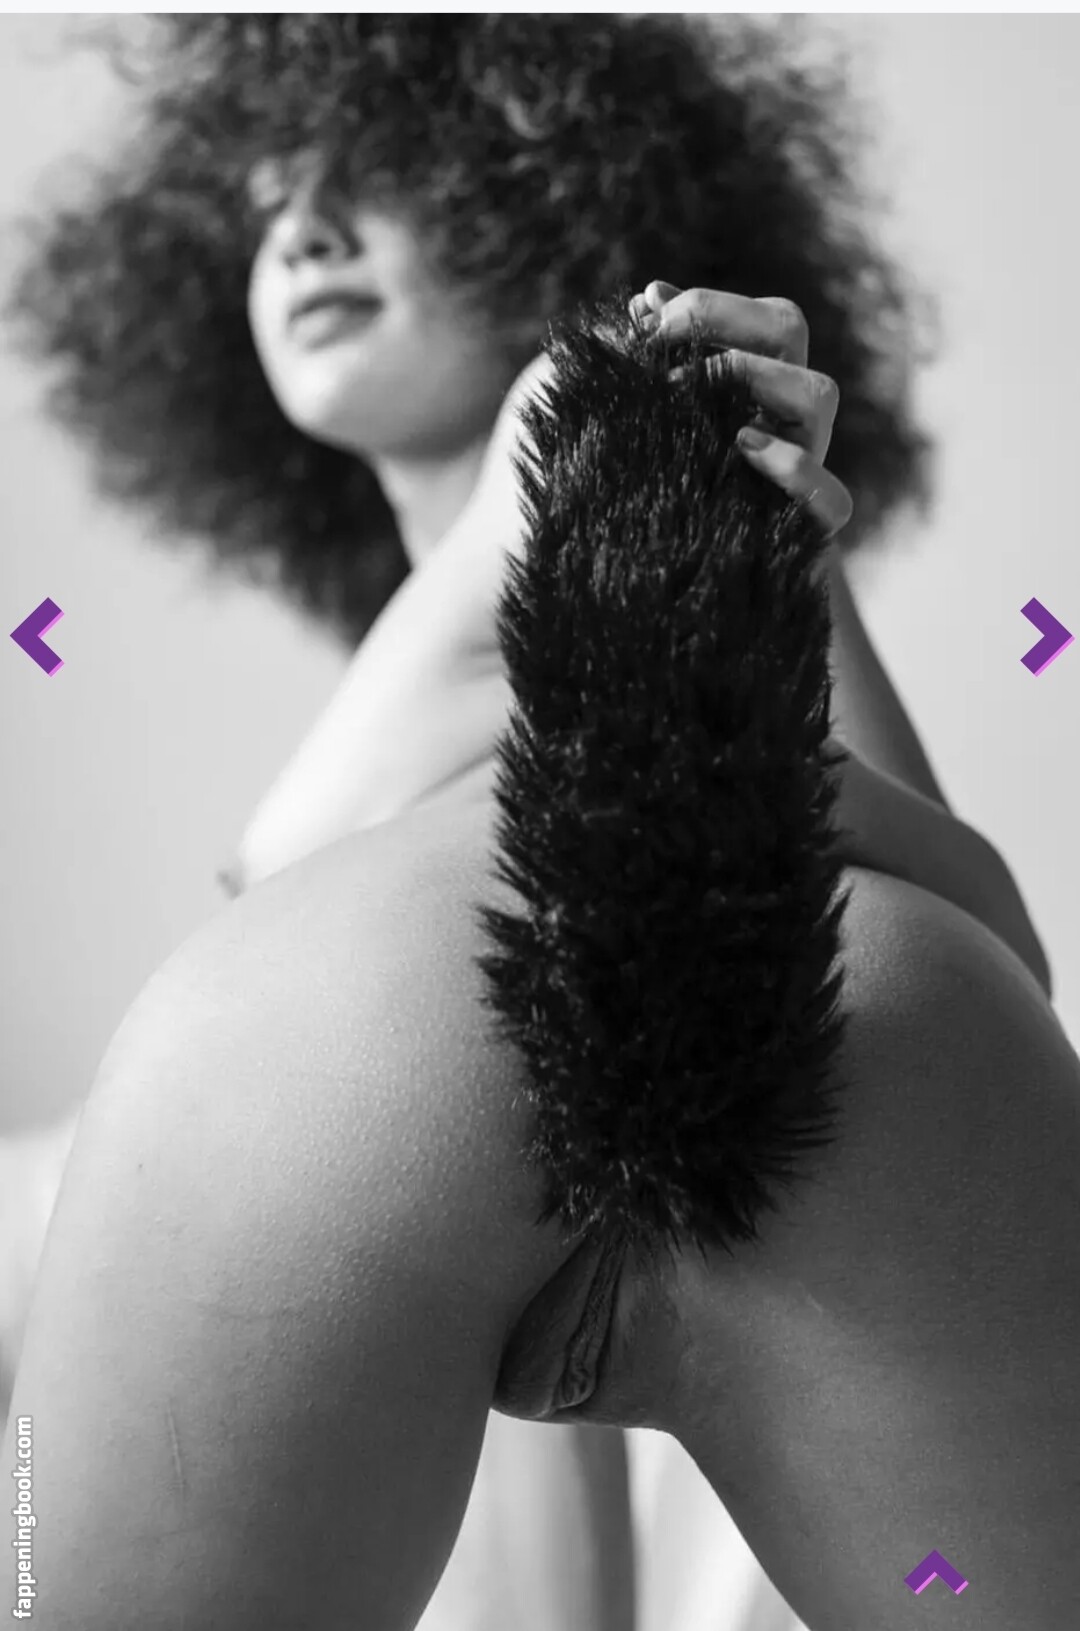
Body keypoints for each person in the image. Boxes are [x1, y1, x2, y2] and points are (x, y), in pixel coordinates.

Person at [1, 15, 1067, 1631]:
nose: (303, 233)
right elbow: (995, 955)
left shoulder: (615, 429)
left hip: (379, 1085)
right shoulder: (580, 547)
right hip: (798, 1093)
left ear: (553, 199)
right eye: (272, 202)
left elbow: (276, 884)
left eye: (379, 180)